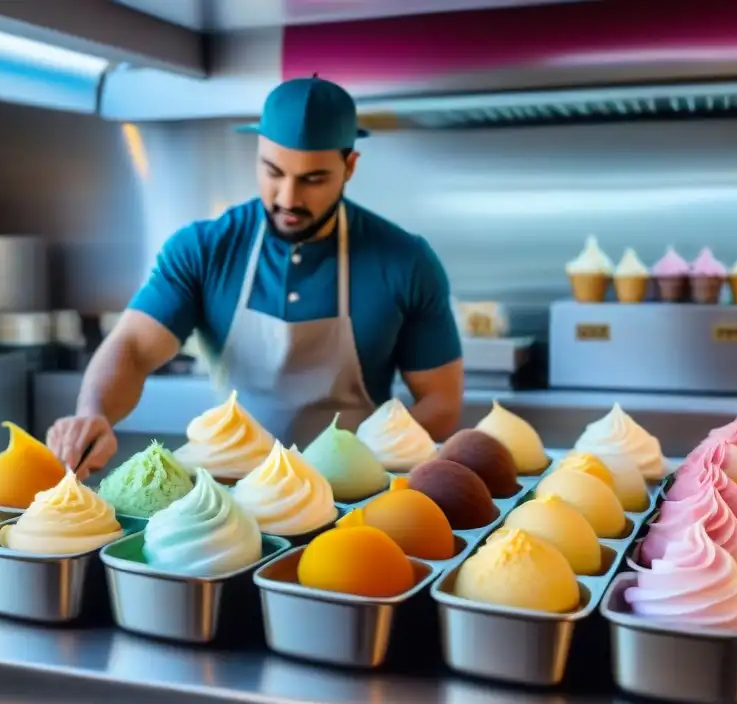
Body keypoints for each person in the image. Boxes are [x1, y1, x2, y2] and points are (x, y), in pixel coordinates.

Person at [48, 75, 463, 479]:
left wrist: (348, 467)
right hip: (233, 495)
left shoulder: (405, 261)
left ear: (349, 167)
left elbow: (441, 402)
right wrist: (93, 412)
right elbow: (134, 347)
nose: (288, 198)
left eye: (312, 179)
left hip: (355, 494)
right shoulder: (204, 250)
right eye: (273, 171)